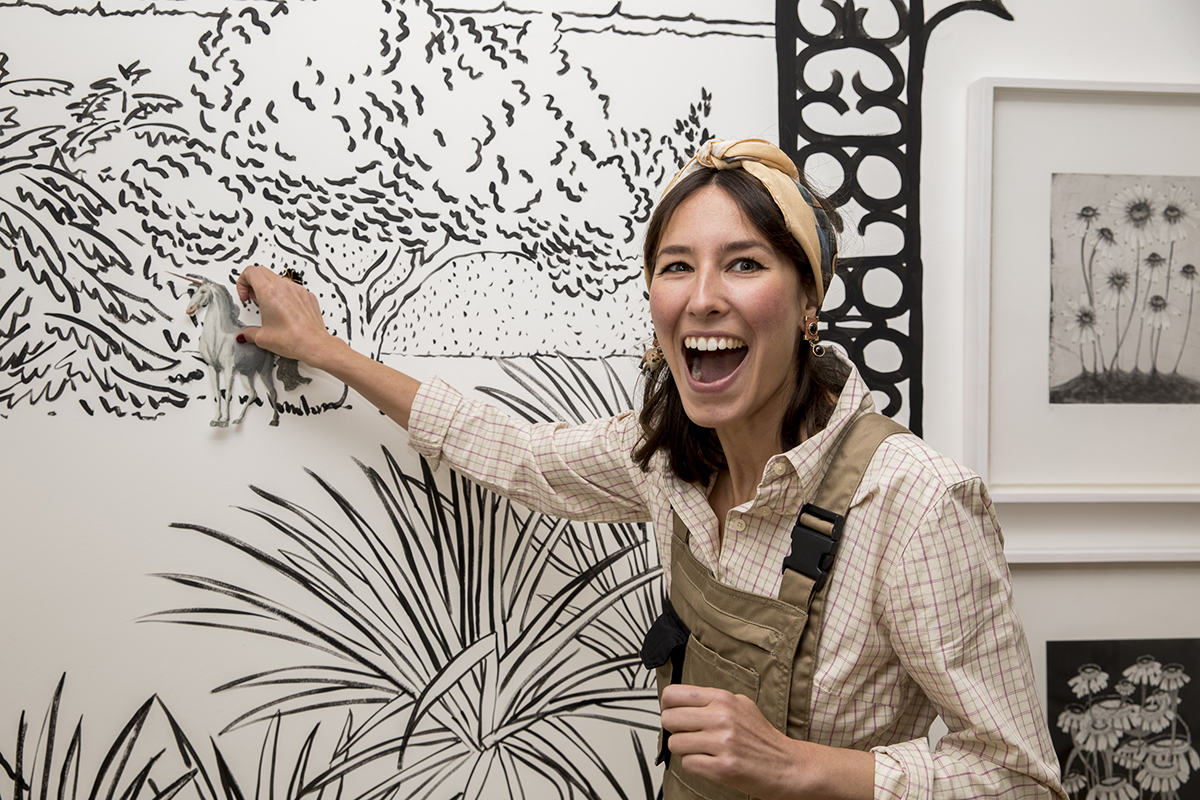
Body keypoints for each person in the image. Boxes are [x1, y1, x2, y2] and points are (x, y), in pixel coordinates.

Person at [234, 139, 1066, 800]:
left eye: (743, 263)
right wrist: (322, 350)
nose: (702, 296)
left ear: (809, 302)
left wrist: (801, 770)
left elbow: (1020, 779)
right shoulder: (665, 461)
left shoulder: (916, 501)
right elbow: (512, 454)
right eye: (677, 266)